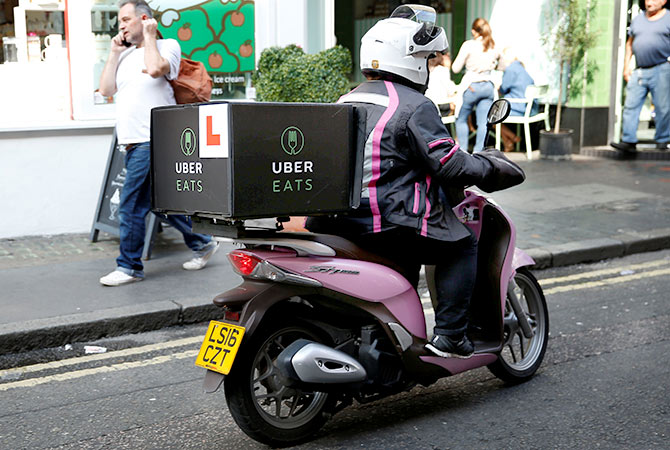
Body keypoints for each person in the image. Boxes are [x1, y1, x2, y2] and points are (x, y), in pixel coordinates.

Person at [305, 5, 507, 358]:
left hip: (341, 219)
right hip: (387, 221)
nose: (429, 67)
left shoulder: (347, 99)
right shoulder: (414, 105)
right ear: (408, 60)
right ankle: (451, 336)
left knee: (413, 250)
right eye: (427, 60)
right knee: (461, 245)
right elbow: (449, 163)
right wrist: (491, 167)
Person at [98, 0, 218, 287]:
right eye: (120, 21)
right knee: (159, 205)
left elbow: (155, 70)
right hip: (130, 143)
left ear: (144, 19)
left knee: (130, 206)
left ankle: (128, 266)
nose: (122, 25)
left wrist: (151, 36)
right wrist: (114, 53)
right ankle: (203, 242)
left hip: (152, 139)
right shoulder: (125, 56)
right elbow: (106, 90)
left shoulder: (168, 46)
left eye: (127, 19)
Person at [611, 0, 670, 154]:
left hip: (662, 68)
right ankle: (629, 141)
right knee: (630, 106)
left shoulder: (668, 18)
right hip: (639, 70)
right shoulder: (638, 19)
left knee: (663, 108)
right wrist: (626, 67)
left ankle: (662, 140)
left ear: (663, 1)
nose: (649, 2)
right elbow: (630, 44)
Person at [451, 17, 500, 153]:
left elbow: (455, 68)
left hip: (472, 86)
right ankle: (479, 153)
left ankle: (463, 152)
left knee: (461, 118)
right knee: (484, 122)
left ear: (474, 31)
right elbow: (501, 66)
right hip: (488, 86)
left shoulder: (468, 45)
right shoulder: (494, 46)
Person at [498, 47, 537, 151]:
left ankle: (513, 138)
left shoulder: (511, 69)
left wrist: (498, 87)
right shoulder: (520, 67)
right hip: (530, 107)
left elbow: (503, 89)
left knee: (492, 116)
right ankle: (508, 143)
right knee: (495, 115)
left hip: (518, 107)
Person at [424, 50, 459, 116]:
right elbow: (451, 91)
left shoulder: (425, 71)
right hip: (441, 106)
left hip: (429, 106)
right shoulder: (442, 70)